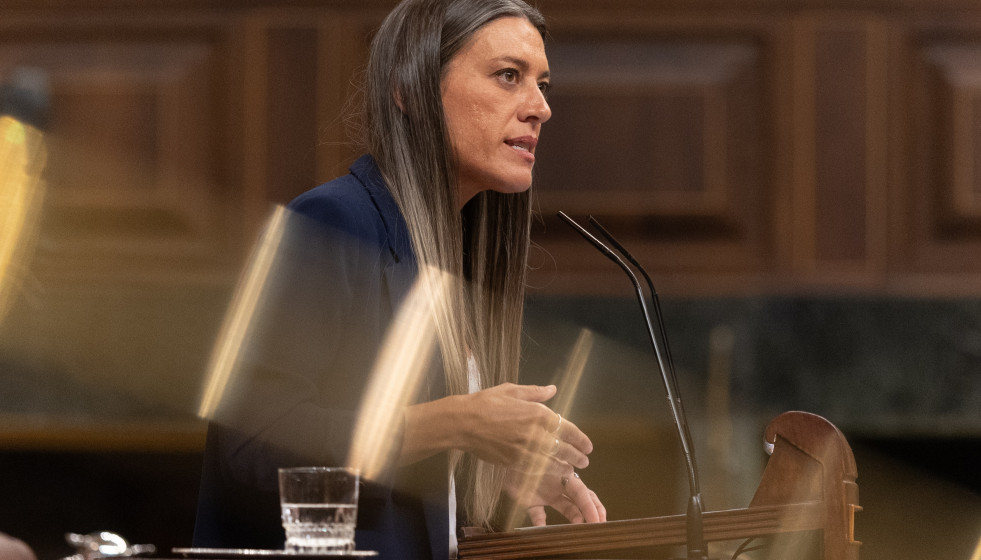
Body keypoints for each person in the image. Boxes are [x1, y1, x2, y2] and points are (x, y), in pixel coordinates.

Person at [193, 1, 607, 558]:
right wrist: (457, 424)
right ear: (408, 91)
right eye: (508, 76)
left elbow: (393, 464)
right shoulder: (331, 223)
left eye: (542, 84)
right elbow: (252, 446)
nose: (540, 108)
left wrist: (480, 466)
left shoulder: (451, 252)